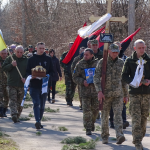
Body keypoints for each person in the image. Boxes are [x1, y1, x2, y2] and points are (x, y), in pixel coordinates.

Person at [94, 43, 128, 144]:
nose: (115, 54)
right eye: (113, 52)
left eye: (117, 52)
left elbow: (124, 80)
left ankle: (119, 135)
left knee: (118, 116)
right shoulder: (102, 62)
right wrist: (99, 91)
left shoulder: (121, 62)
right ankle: (105, 136)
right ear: (109, 51)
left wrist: (126, 94)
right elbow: (96, 77)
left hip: (118, 94)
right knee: (105, 116)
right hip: (105, 95)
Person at [122, 39, 150, 150]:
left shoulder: (149, 60)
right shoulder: (129, 61)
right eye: (139, 48)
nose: (142, 50)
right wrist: (133, 82)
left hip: (146, 94)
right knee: (136, 118)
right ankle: (137, 141)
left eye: (143, 47)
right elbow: (124, 76)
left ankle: (140, 137)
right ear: (135, 48)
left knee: (144, 119)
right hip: (134, 94)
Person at [26, 42, 53, 129]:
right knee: (36, 103)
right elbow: (27, 72)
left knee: (42, 105)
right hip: (34, 85)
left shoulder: (48, 59)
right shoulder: (31, 59)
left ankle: (39, 120)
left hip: (44, 86)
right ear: (36, 48)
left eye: (43, 48)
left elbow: (52, 71)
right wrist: (31, 77)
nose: (41, 50)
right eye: (40, 48)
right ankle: (37, 120)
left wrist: (48, 76)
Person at [73, 48, 99, 135]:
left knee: (95, 111)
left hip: (96, 91)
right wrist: (82, 81)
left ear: (92, 55)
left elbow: (103, 75)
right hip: (85, 92)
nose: (85, 56)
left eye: (87, 55)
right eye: (84, 54)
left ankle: (92, 123)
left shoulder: (98, 63)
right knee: (86, 111)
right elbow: (75, 77)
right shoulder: (80, 64)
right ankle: (87, 128)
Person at [2, 45, 27, 123]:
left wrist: (26, 79)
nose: (19, 54)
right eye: (18, 52)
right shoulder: (10, 58)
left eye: (21, 52)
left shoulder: (26, 60)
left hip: (21, 84)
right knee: (13, 100)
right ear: (15, 51)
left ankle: (17, 116)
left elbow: (29, 71)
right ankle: (14, 114)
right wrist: (11, 65)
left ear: (23, 52)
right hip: (11, 83)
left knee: (20, 102)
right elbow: (4, 68)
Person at [109, 41, 129, 129]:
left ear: (121, 48)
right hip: (110, 87)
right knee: (111, 105)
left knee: (123, 104)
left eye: (119, 47)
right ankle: (112, 121)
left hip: (121, 85)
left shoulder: (125, 58)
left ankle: (123, 121)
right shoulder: (107, 59)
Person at [60, 42, 76, 106]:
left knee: (73, 86)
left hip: (74, 73)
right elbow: (61, 62)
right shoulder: (65, 54)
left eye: (72, 46)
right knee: (68, 86)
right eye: (70, 46)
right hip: (67, 73)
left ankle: (71, 99)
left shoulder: (76, 54)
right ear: (68, 46)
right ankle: (68, 100)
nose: (71, 47)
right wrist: (66, 67)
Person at [0, 49, 9, 117]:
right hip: (0, 82)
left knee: (7, 97)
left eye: (5, 53)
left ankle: (4, 110)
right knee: (0, 96)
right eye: (2, 53)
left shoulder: (9, 61)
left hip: (8, 82)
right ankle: (1, 111)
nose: (3, 55)